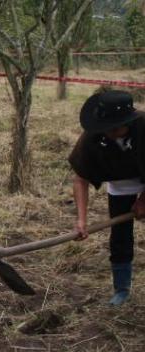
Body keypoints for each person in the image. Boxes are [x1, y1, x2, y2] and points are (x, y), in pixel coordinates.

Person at [69, 90, 145, 306]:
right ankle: (121, 288)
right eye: (107, 128)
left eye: (115, 128)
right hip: (120, 186)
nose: (110, 133)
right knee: (120, 238)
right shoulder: (94, 134)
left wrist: (143, 200)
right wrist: (81, 220)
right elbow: (81, 179)